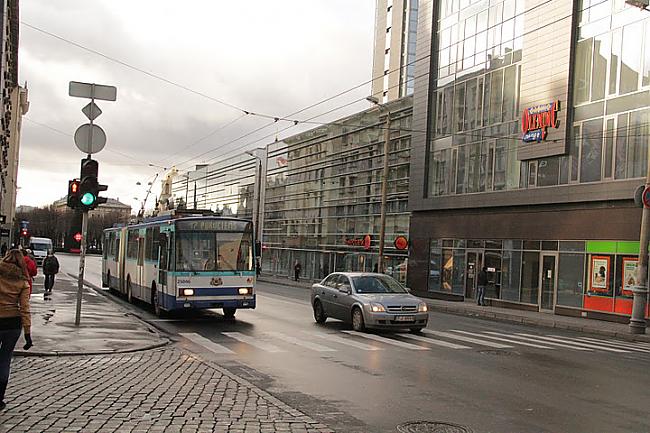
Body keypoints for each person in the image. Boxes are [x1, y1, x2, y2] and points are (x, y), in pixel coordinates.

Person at [0, 249, 33, 410]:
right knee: (5, 360)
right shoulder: (22, 281)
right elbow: (25, 308)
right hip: (12, 324)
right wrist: (27, 333)